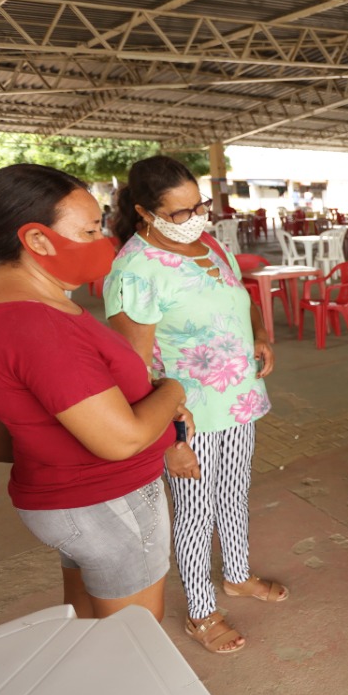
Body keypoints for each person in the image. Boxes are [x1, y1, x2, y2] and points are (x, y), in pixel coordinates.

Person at [0, 164, 188, 622]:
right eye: (90, 230)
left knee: (89, 634)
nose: (103, 239)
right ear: (36, 240)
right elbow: (120, 440)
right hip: (106, 501)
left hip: (73, 498)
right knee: (132, 651)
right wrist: (171, 391)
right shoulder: (37, 322)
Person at [104, 155, 282, 656]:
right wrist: (171, 441)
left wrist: (261, 336)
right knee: (194, 513)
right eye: (181, 213)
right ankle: (201, 611)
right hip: (188, 416)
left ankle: (239, 576)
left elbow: (238, 301)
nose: (196, 218)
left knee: (234, 494)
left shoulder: (206, 244)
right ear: (144, 212)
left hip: (237, 399)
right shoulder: (135, 272)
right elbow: (134, 372)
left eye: (199, 205)